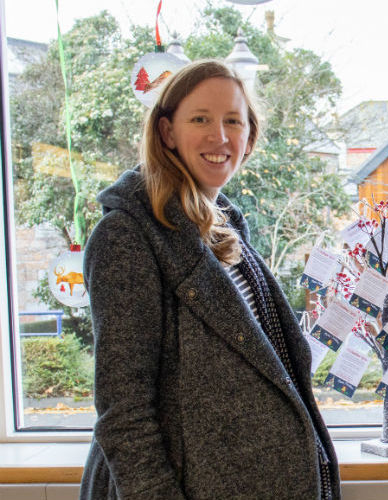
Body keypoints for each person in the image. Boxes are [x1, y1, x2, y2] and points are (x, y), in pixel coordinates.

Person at [78, 60, 340, 500]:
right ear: (167, 133)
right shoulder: (127, 236)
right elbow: (124, 413)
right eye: (200, 119)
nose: (219, 137)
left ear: (249, 136)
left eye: (233, 121)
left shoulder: (225, 230)